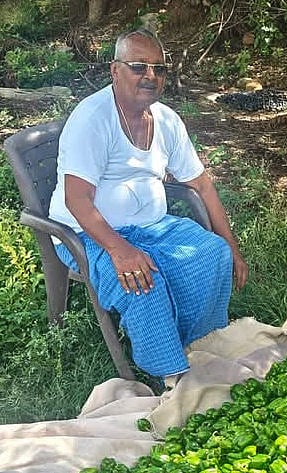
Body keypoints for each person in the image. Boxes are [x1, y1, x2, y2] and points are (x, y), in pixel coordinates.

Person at [48, 28, 248, 385]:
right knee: (143, 282)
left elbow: (200, 184)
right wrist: (121, 251)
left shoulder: (167, 119)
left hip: (152, 225)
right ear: (115, 70)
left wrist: (232, 246)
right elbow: (76, 199)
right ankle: (168, 375)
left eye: (159, 68)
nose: (151, 76)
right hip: (88, 233)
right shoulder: (93, 118)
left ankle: (195, 346)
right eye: (139, 66)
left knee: (212, 253)